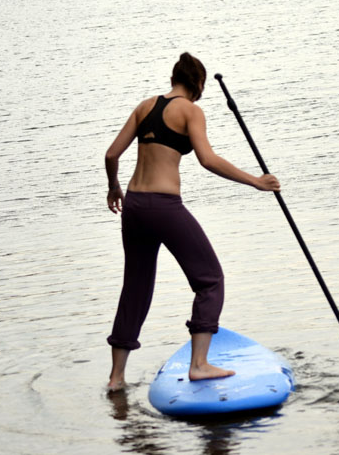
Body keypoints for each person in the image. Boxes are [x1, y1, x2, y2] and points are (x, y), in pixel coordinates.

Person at [104, 52, 280, 391]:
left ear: (174, 78)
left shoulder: (145, 106)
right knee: (210, 279)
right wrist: (256, 181)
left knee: (135, 288)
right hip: (164, 206)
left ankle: (116, 378)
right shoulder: (190, 110)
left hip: (134, 206)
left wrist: (113, 186)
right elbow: (207, 159)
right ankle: (199, 365)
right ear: (198, 83)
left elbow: (112, 154)